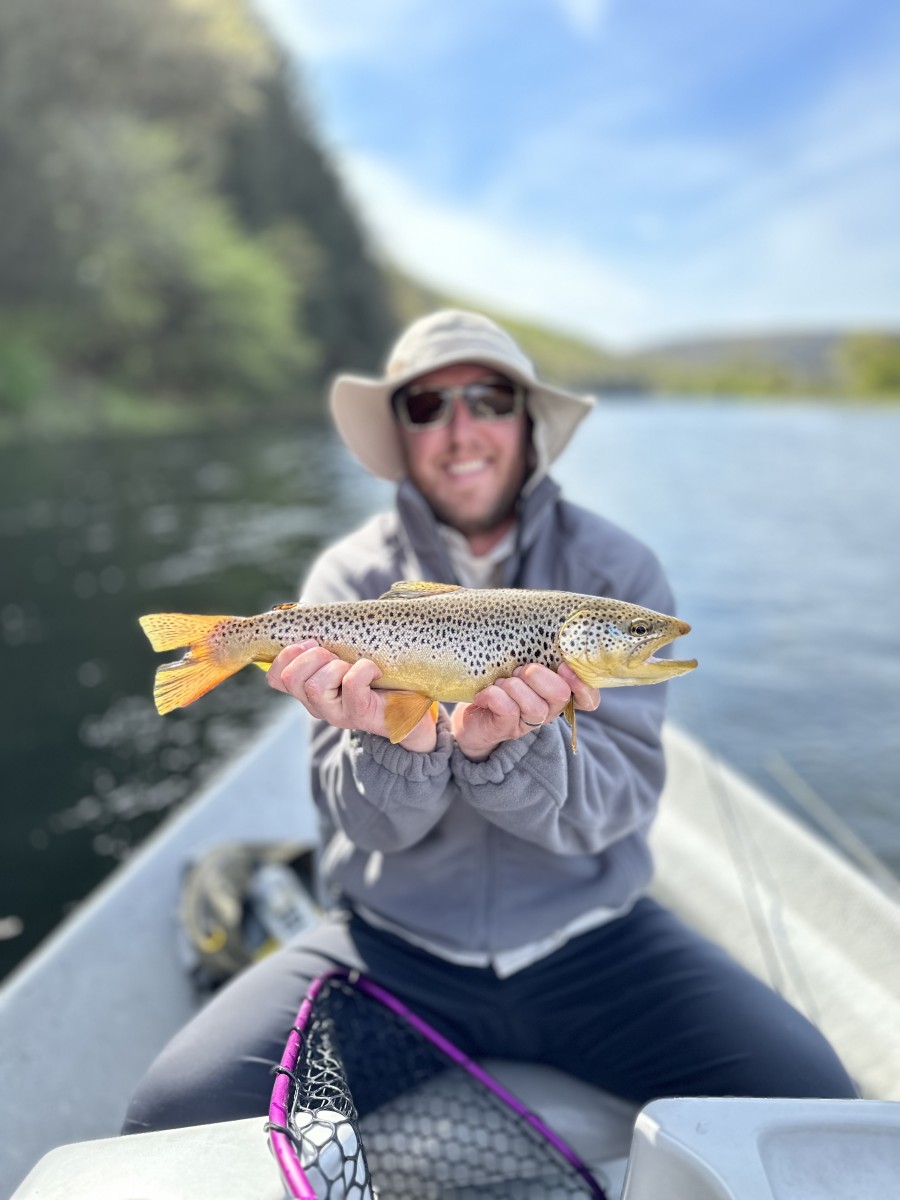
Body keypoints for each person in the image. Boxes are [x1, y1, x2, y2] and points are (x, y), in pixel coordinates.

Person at [124, 309, 855, 1134]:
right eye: (428, 406)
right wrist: (397, 738)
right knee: (173, 1119)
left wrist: (512, 753)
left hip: (596, 947)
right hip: (393, 955)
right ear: (401, 434)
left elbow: (613, 810)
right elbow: (364, 825)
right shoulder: (348, 577)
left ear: (528, 421)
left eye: (490, 398)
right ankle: (209, 649)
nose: (461, 427)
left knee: (821, 1114)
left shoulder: (619, 571)